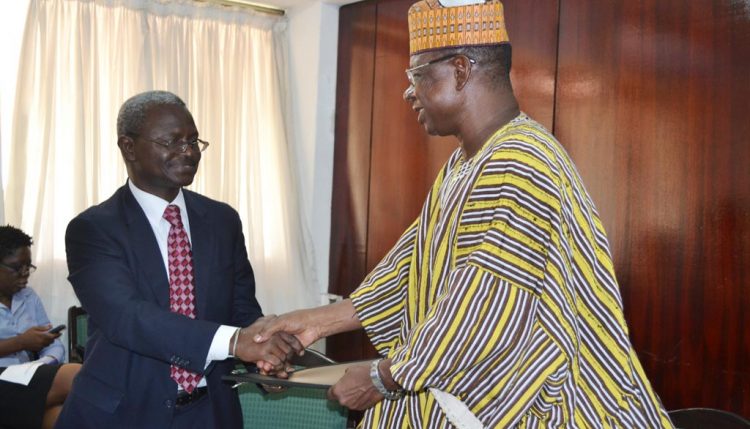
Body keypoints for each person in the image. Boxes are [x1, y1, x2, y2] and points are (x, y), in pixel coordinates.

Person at [253, 0, 675, 427]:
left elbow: (483, 310)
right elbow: (409, 270)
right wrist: (313, 322)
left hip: (556, 410)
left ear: (459, 69)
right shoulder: (464, 165)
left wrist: (383, 378)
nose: (407, 91)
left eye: (416, 74)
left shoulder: (521, 163)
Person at [55, 90, 301, 429]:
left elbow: (241, 309)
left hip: (210, 411)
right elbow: (128, 318)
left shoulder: (221, 220)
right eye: (171, 141)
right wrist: (234, 342)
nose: (188, 152)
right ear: (128, 147)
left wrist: (264, 356)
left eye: (194, 141)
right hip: (123, 413)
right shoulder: (94, 229)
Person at [0, 225, 81, 429]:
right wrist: (20, 342)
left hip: (28, 375)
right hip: (4, 378)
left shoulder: (29, 297)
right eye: (17, 267)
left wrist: (46, 359)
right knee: (76, 376)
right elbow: (25, 341)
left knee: (61, 417)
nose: (25, 273)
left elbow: (53, 344)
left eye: (28, 266)